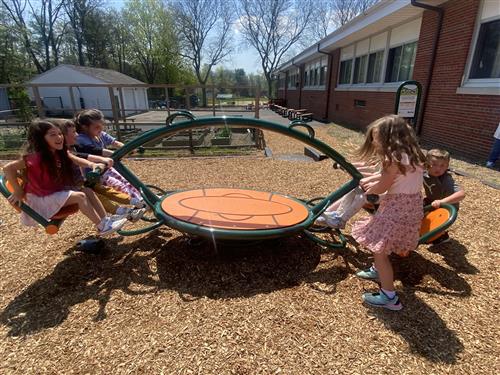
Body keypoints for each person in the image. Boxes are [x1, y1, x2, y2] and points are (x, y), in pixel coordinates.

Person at [351, 115, 427, 311]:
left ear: (389, 137)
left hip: (396, 208)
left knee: (379, 249)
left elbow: (384, 184)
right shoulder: (414, 154)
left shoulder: (391, 156)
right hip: (411, 207)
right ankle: (378, 271)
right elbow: (397, 177)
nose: (374, 141)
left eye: (376, 137)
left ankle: (389, 297)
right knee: (382, 245)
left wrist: (369, 193)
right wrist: (374, 181)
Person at [3, 120, 127, 236]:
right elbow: (8, 168)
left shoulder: (58, 152)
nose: (59, 137)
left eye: (60, 133)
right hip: (41, 200)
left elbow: (76, 159)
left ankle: (105, 220)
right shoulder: (35, 158)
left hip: (53, 193)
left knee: (87, 190)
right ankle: (101, 226)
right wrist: (18, 191)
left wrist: (92, 164)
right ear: (41, 139)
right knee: (80, 196)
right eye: (52, 135)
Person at [55, 118, 146, 222]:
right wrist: (98, 161)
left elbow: (86, 155)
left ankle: (135, 202)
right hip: (75, 186)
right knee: (97, 194)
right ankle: (121, 213)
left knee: (105, 190)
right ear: (64, 136)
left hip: (82, 182)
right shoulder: (65, 152)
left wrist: (98, 161)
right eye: (74, 132)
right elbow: (85, 155)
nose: (76, 135)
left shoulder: (72, 148)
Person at [74, 109, 145, 204]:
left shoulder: (100, 135)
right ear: (85, 127)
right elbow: (97, 151)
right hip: (95, 173)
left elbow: (115, 143)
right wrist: (115, 153)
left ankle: (143, 197)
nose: (100, 128)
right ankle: (140, 201)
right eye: (96, 127)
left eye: (101, 125)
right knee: (118, 185)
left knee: (127, 181)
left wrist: (129, 149)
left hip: (107, 168)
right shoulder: (82, 139)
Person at [316, 161, 381, 228]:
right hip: (375, 190)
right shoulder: (381, 161)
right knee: (353, 190)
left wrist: (363, 177)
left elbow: (378, 176)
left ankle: (342, 221)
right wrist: (347, 166)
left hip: (381, 196)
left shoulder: (389, 164)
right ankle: (338, 213)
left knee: (361, 197)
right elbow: (369, 167)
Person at [423, 149, 465, 245]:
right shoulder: (424, 172)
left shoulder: (445, 179)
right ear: (426, 164)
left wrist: (442, 201)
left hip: (447, 206)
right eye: (434, 164)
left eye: (442, 166)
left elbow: (461, 194)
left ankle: (442, 236)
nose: (438, 169)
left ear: (447, 166)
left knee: (437, 223)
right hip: (432, 201)